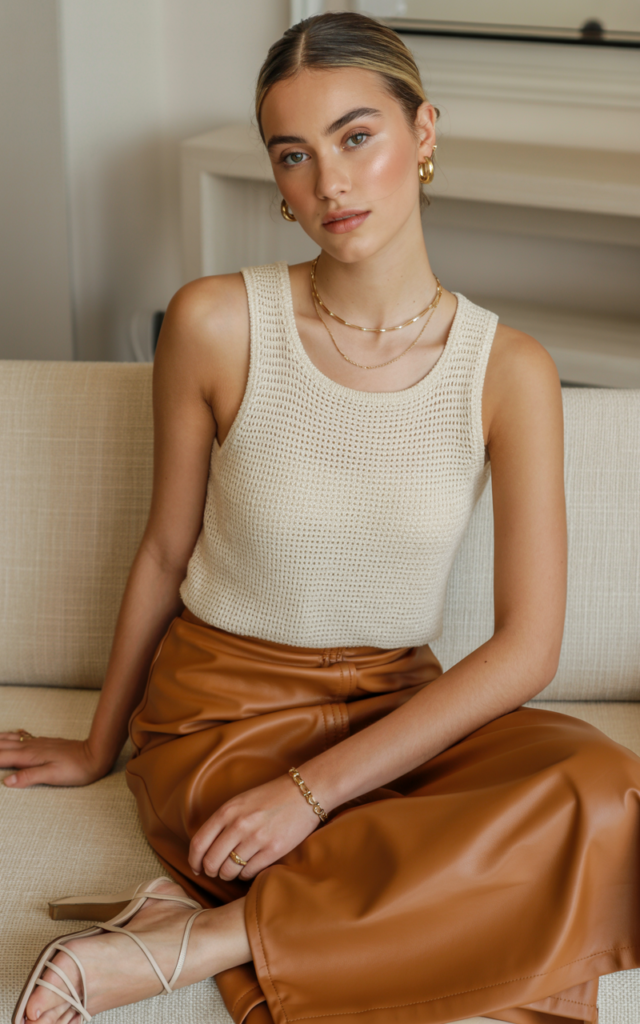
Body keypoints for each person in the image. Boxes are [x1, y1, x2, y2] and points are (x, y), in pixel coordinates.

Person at [4, 13, 640, 1024]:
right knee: (478, 859)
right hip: (221, 713)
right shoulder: (214, 322)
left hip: (398, 712)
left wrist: (313, 791)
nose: (329, 184)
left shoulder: (509, 370)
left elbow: (527, 649)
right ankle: (305, 911)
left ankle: (201, 935)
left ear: (422, 133)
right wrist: (96, 745)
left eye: (356, 137)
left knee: (608, 785)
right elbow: (165, 551)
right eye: (293, 154)